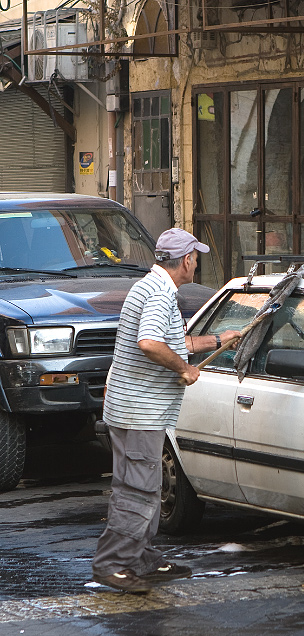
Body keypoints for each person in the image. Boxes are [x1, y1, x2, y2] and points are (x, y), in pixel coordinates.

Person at [92, 227, 240, 593]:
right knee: (138, 490)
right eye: (196, 257)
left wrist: (220, 339)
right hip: (138, 413)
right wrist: (183, 369)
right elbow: (150, 343)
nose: (197, 263)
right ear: (186, 260)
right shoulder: (160, 294)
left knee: (142, 484)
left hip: (133, 410)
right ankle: (113, 564)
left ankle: (140, 558)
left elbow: (175, 341)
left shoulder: (149, 286)